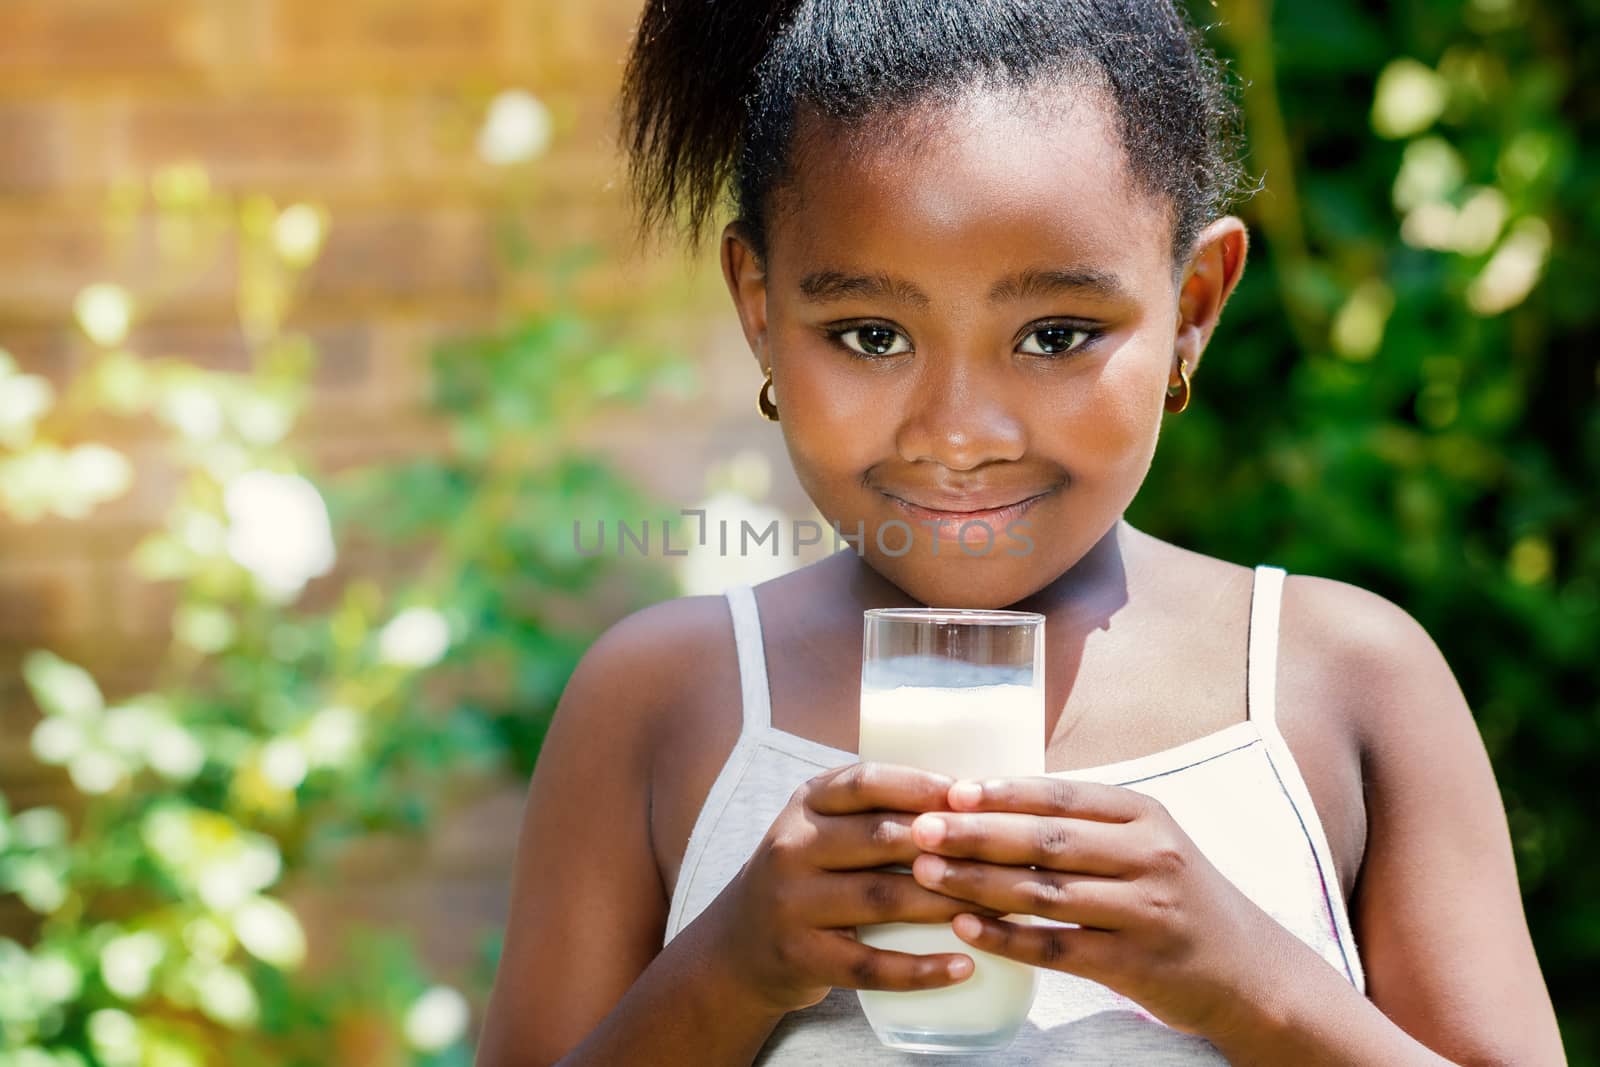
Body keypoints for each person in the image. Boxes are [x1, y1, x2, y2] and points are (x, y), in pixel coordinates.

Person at [476, 1, 1566, 1063]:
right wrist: (729, 966)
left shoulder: (1339, 679)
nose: (958, 434)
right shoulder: (665, 699)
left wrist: (1248, 982)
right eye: (869, 332)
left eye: (1054, 334)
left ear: (1192, 305)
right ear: (760, 308)